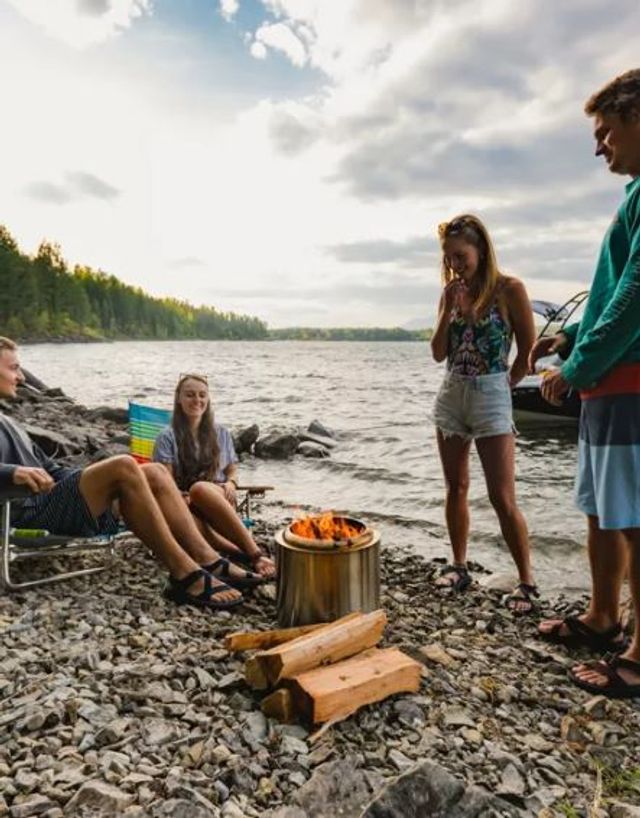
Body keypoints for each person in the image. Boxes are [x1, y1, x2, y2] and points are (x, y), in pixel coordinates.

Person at [0, 337, 263, 610]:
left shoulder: (9, 422)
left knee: (156, 471)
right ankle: (184, 574)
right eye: (13, 368)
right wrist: (11, 473)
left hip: (50, 499)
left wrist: (94, 478)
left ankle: (207, 559)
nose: (20, 376)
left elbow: (51, 469)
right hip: (27, 510)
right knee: (124, 464)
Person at [534, 69, 640, 698]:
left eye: (605, 132)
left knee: (636, 520)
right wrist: (571, 341)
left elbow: (634, 300)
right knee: (601, 510)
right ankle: (603, 616)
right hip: (606, 384)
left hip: (630, 384)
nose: (598, 145)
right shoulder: (632, 198)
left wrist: (573, 369)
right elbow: (608, 298)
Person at [430, 214, 538, 612]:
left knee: (501, 496)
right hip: (452, 393)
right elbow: (439, 352)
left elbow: (527, 351)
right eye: (449, 258)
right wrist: (447, 310)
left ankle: (527, 581)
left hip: (492, 392)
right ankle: (458, 565)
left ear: (481, 250)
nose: (456, 264)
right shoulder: (450, 292)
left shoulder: (510, 289)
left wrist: (505, 386)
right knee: (456, 486)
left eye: (461, 256)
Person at [152, 374, 276, 578]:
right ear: (178, 398)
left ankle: (250, 551)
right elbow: (166, 480)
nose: (197, 400)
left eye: (202, 395)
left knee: (200, 489)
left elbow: (231, 469)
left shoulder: (220, 433)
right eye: (190, 395)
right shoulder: (167, 437)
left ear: (208, 399)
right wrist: (179, 495)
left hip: (216, 498)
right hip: (184, 502)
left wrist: (232, 483)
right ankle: (248, 554)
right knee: (182, 504)